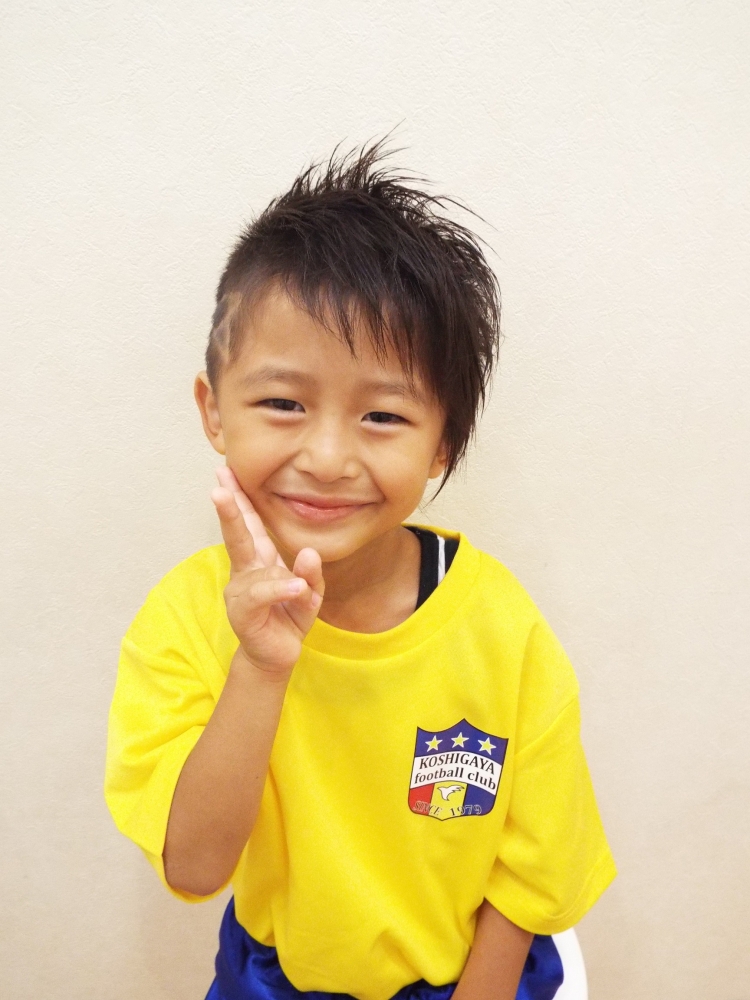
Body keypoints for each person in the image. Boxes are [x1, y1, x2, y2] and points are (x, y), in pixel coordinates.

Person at [105, 141, 616, 1000]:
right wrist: (261, 666)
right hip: (276, 978)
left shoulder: (497, 625)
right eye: (283, 403)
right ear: (214, 411)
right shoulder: (186, 618)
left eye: (382, 415)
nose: (329, 457)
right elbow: (193, 866)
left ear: (444, 442)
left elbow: (535, 864)